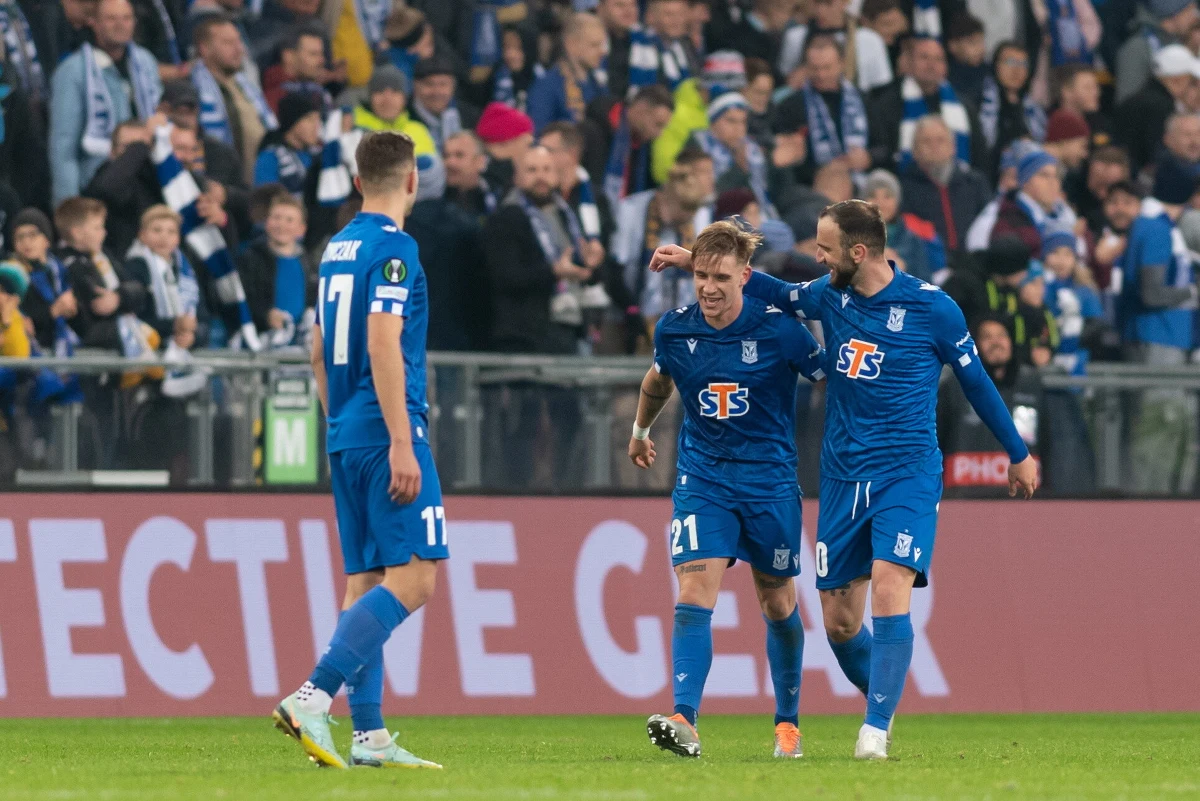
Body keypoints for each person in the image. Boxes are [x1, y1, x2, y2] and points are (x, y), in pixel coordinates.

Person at [649, 199, 1038, 759]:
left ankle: (874, 729)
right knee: (838, 622)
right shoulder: (830, 295)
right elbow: (776, 292)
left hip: (907, 471)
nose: (817, 257)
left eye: (825, 248)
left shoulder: (935, 309)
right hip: (841, 477)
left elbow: (976, 382)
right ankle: (882, 690)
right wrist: (696, 261)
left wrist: (1017, 452)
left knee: (889, 584)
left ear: (858, 251)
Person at [273, 131, 444, 770]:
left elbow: (318, 349)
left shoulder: (336, 247)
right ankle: (313, 693)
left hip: (345, 429)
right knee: (418, 576)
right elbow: (383, 342)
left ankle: (368, 737)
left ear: (355, 183)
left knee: (365, 579)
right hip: (387, 430)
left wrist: (337, 420)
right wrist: (401, 439)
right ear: (411, 182)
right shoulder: (396, 249)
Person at [629, 219, 824, 760]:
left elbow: (831, 378)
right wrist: (641, 431)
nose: (708, 288)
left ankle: (787, 726)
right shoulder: (674, 330)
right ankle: (684, 718)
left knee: (778, 600)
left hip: (770, 483)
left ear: (745, 276)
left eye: (720, 277)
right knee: (693, 593)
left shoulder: (781, 330)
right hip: (704, 479)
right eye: (699, 276)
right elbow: (657, 380)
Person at [1117, 158, 1200, 494]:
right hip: (1156, 341)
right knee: (1157, 430)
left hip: (1172, 341)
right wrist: (1192, 291)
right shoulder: (1154, 227)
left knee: (1175, 430)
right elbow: (1150, 293)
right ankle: (1149, 505)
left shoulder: (1163, 225)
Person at [49, 0, 163, 206]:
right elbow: (63, 147)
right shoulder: (72, 71)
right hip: (99, 181)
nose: (120, 24)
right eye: (111, 18)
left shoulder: (146, 62)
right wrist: (69, 206)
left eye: (126, 18)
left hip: (148, 177)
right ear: (93, 22)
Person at [192, 12, 279, 184]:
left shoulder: (245, 84)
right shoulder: (193, 89)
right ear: (205, 48)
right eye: (228, 43)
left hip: (258, 181)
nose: (239, 49)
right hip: (222, 181)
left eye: (238, 41)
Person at [898, 115, 992, 254]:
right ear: (915, 151)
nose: (934, 146)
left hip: (975, 262)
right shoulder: (904, 188)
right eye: (926, 141)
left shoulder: (975, 183)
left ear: (952, 147)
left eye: (940, 140)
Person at [238, 193, 317, 346]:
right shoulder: (250, 259)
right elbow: (243, 300)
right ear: (267, 222)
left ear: (301, 229)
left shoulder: (310, 264)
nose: (281, 225)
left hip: (301, 347)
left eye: (289, 220)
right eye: (276, 217)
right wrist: (265, 316)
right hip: (262, 344)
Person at [124, 204, 207, 347]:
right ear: (142, 235)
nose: (164, 237)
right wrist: (174, 326)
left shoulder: (186, 270)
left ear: (178, 238)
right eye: (157, 230)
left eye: (171, 232)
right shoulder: (134, 267)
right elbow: (133, 318)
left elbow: (203, 316)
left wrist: (193, 336)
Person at [1115, 44, 1200, 176]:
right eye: (1191, 82)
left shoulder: (1142, 96)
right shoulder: (1160, 106)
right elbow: (1154, 153)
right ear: (1177, 80)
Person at [778, 0, 894, 93]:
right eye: (816, 2)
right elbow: (785, 82)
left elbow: (881, 91)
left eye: (828, 3)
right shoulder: (796, 37)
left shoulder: (869, 40)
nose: (821, 10)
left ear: (845, 2)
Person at [526, 12, 608, 133]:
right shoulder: (546, 87)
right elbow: (538, 136)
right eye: (594, 45)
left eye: (602, 45)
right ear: (571, 45)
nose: (602, 52)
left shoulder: (598, 86)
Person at [1114, 0, 1200, 103]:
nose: (1195, 16)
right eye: (1189, 10)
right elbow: (1127, 107)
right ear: (1173, 15)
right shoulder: (1137, 49)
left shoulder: (1182, 42)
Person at [253, 91, 322, 197]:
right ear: (293, 122)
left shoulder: (317, 155)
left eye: (318, 120)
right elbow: (265, 201)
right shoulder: (270, 158)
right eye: (310, 120)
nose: (316, 126)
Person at [410, 55, 481, 152]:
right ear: (416, 86)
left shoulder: (470, 116)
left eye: (443, 84)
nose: (437, 92)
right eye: (429, 84)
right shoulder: (404, 115)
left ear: (453, 86)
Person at [443, 130, 497, 218]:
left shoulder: (498, 197)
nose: (450, 162)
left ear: (480, 162)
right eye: (446, 156)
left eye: (459, 155)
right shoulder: (433, 198)